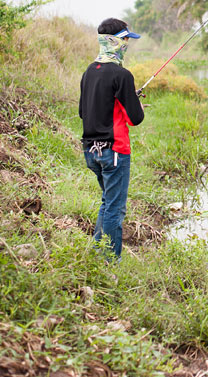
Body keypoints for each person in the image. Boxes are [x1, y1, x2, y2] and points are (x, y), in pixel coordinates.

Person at [79, 18, 145, 260]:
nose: (127, 44)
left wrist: (125, 98)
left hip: (91, 152)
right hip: (115, 152)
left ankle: (96, 255)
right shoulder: (122, 75)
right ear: (116, 41)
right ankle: (109, 263)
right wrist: (134, 100)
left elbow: (83, 112)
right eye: (125, 39)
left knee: (108, 203)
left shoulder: (88, 72)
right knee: (115, 209)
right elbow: (135, 118)